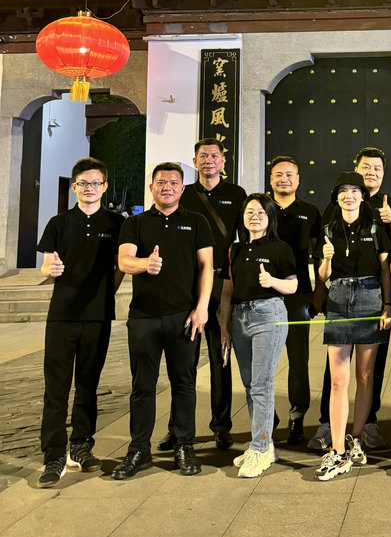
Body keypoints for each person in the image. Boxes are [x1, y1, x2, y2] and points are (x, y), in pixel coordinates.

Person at [113, 163, 214, 480]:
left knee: (184, 384)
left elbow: (207, 266)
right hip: (143, 318)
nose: (167, 186)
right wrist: (145, 263)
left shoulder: (196, 222)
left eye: (173, 182)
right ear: (152, 188)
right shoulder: (135, 223)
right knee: (142, 386)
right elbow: (124, 260)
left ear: (182, 188)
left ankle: (184, 446)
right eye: (161, 182)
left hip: (184, 317)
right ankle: (139, 450)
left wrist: (202, 308)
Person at [36, 158, 124, 488]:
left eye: (96, 183)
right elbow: (47, 264)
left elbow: (120, 265)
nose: (90, 188)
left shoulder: (116, 223)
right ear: (74, 187)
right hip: (62, 315)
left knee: (88, 386)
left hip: (98, 317)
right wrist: (50, 270)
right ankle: (53, 455)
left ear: (104, 186)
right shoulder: (59, 223)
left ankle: (81, 446)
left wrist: (107, 294)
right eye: (83, 183)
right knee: (56, 389)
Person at [309, 147, 391, 453]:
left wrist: (388, 306)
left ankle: (359, 434)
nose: (349, 196)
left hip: (370, 297)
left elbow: (386, 268)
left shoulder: (376, 222)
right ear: (336, 196)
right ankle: (334, 440)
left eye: (354, 192)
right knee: (337, 376)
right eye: (344, 192)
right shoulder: (328, 224)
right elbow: (323, 274)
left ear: (363, 195)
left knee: (365, 374)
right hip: (338, 298)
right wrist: (326, 261)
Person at [165, 138, 246, 451]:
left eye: (214, 155)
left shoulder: (236, 194)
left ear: (223, 161)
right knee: (181, 361)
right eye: (203, 155)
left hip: (222, 284)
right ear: (195, 161)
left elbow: (243, 240)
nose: (209, 160)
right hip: (188, 286)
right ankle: (177, 428)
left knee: (219, 358)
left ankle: (221, 425)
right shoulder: (184, 194)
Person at [220, 194, 297, 477]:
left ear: (270, 218)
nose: (255, 217)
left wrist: (272, 281)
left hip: (268, 315)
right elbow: (227, 290)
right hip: (240, 318)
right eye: (250, 212)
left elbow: (293, 286)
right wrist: (224, 326)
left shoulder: (280, 248)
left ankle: (260, 448)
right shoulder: (235, 249)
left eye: (261, 213)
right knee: (251, 385)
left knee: (262, 384)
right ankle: (265, 444)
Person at [268, 156, 321, 445]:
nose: (284, 179)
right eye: (278, 174)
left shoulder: (310, 212)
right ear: (271, 179)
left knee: (298, 359)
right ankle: (267, 416)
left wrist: (319, 293)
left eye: (290, 174)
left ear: (298, 179)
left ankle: (297, 416)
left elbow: (319, 254)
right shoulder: (261, 208)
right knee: (264, 360)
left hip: (298, 295)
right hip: (264, 296)